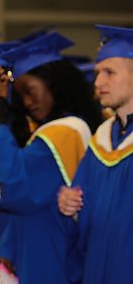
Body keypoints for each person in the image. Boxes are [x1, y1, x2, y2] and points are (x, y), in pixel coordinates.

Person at [0, 32, 103, 284]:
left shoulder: (62, 133)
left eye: (30, 91)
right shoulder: (52, 131)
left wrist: (1, 121)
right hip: (40, 254)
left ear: (53, 84)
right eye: (21, 96)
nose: (28, 103)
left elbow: (12, 188)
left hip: (51, 258)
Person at [58, 25, 133, 284]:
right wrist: (70, 203)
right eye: (98, 72)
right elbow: (82, 201)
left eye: (109, 72)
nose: (98, 82)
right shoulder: (102, 137)